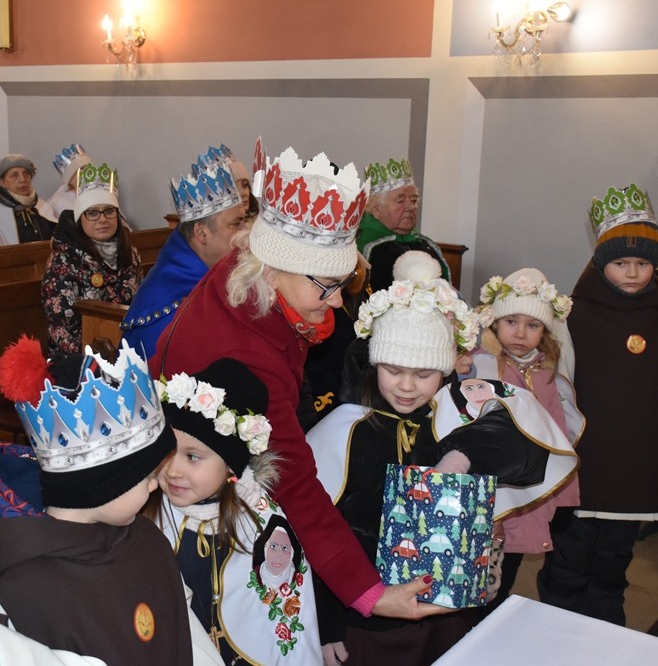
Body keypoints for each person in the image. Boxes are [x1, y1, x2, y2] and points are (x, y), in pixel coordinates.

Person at [150, 142, 448, 641]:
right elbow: (294, 481)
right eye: (326, 285)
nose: (336, 301)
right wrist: (370, 593)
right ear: (272, 269)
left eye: (342, 283)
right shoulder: (246, 353)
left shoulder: (249, 277)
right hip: (200, 497)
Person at [306, 252, 578, 664]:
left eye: (424, 374)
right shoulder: (346, 429)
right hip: (364, 619)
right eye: (394, 370)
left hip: (445, 611)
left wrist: (462, 454)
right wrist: (325, 627)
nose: (407, 387)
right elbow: (318, 535)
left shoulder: (451, 413)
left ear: (447, 370)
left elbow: (526, 432)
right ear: (374, 363)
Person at [0, 338, 220, 666]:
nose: (157, 484)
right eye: (147, 476)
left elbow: (186, 637)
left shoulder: (147, 541)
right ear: (103, 485)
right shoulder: (21, 589)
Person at [538, 183, 658, 626]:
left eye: (643, 264)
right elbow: (557, 391)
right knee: (570, 559)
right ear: (600, 264)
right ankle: (555, 629)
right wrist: (554, 459)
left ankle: (606, 631)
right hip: (584, 470)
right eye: (620, 263)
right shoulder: (573, 318)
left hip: (637, 472)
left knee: (614, 561)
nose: (632, 273)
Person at [148, 358, 323, 664]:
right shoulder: (146, 511)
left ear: (230, 464)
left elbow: (288, 614)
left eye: (192, 457)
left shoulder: (262, 522)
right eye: (167, 451)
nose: (173, 470)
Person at [470, 267, 583, 612]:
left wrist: (561, 493)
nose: (520, 333)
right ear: (494, 322)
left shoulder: (546, 372)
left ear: (544, 330)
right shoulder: (480, 365)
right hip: (487, 485)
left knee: (510, 561)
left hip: (527, 488)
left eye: (532, 325)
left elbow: (559, 434)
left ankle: (493, 615)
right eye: (511, 322)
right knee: (475, 562)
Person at [122, 156, 247, 356]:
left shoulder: (210, 270)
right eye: (236, 224)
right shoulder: (171, 308)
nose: (245, 233)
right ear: (202, 233)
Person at [42, 161, 141, 357]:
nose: (103, 219)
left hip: (128, 350)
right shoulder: (62, 260)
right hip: (81, 359)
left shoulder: (130, 253)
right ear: (81, 218)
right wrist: (105, 356)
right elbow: (62, 329)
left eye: (109, 211)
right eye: (93, 213)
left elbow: (139, 305)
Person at [357, 157, 450, 293]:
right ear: (376, 209)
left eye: (414, 200)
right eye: (400, 201)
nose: (411, 207)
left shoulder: (424, 244)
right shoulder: (367, 249)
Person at [0, 154, 57, 245]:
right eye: (14, 175)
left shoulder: (42, 206)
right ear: (2, 182)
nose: (23, 179)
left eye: (26, 174)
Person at [48, 143, 93, 218]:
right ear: (70, 178)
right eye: (81, 169)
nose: (87, 173)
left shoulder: (100, 190)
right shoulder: (59, 203)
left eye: (89, 168)